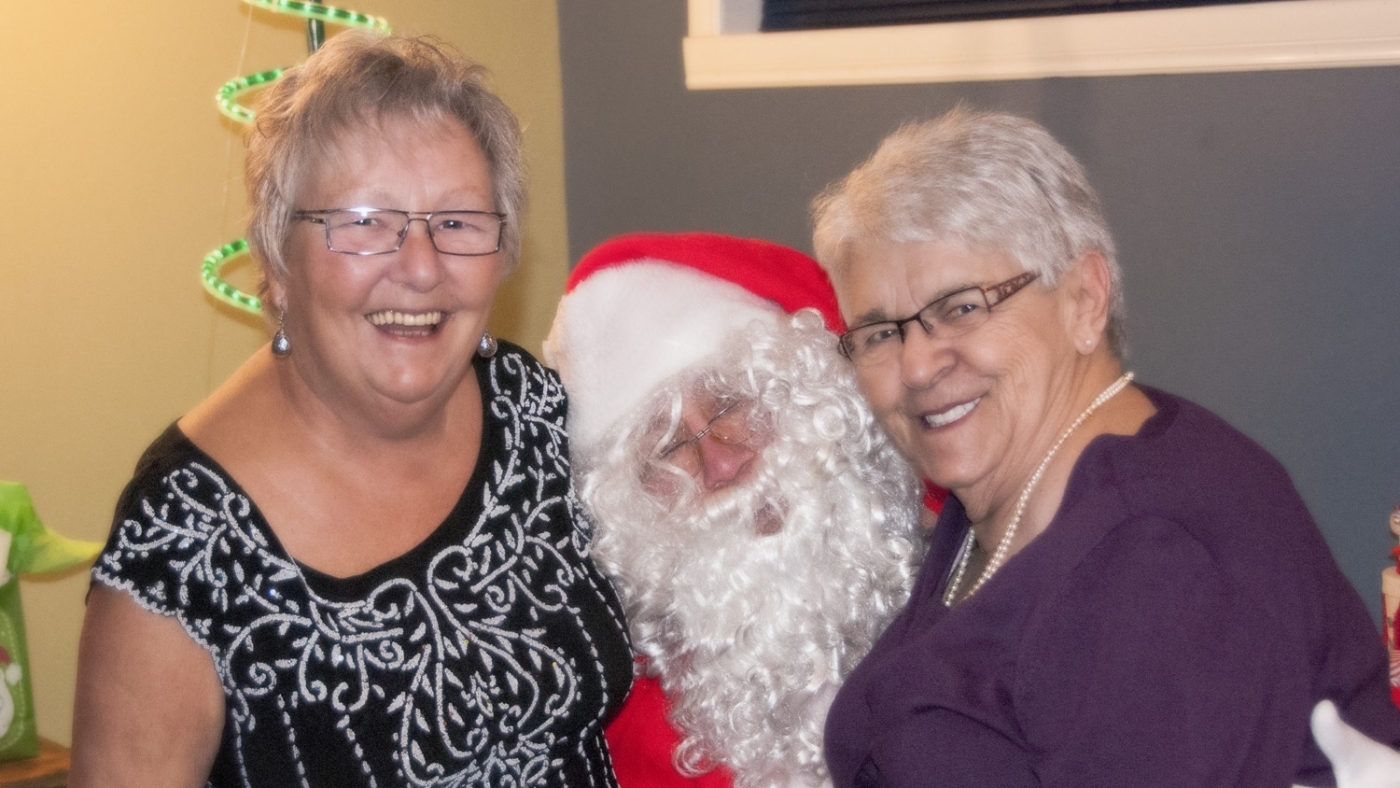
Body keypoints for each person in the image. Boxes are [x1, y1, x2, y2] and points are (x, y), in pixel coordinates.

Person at [71, 31, 632, 787]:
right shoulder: (181, 545)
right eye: (366, 221)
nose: (423, 267)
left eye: (459, 221)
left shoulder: (529, 410)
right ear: (275, 259)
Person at [809, 107, 1400, 787]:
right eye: (881, 333)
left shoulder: (1151, 563)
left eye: (962, 307)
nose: (917, 367)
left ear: (1085, 299)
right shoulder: (1009, 492)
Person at [543, 232, 923, 788]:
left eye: (729, 404)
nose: (719, 461)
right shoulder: (618, 750)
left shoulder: (977, 591)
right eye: (666, 448)